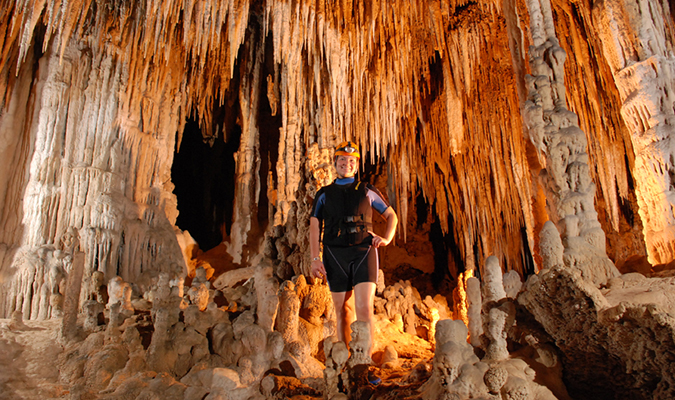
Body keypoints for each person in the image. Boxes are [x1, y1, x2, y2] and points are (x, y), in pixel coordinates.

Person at [309, 141, 398, 358]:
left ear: (356, 166)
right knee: (342, 311)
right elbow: (313, 226)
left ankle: (364, 361)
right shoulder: (324, 194)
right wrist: (314, 258)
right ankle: (346, 360)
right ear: (335, 163)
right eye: (342, 160)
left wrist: (386, 238)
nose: (346, 164)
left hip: (363, 253)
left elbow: (390, 215)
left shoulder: (366, 190)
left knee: (364, 309)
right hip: (334, 255)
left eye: (351, 161)